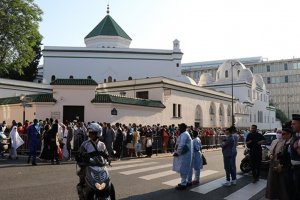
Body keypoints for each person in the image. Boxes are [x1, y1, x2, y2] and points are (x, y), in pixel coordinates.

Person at [76, 122, 109, 188]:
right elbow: (79, 153)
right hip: (89, 165)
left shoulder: (102, 144)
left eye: (92, 133)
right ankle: (81, 187)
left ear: (98, 133)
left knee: (108, 181)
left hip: (100, 166)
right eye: (90, 133)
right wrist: (81, 156)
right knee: (82, 173)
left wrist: (107, 157)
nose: (90, 134)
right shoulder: (85, 144)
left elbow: (106, 153)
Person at [265, 129, 286, 199]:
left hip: (279, 163)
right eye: (277, 132)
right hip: (272, 162)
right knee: (272, 180)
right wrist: (270, 155)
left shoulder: (285, 142)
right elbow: (270, 150)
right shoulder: (274, 141)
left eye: (280, 132)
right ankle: (271, 195)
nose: (278, 134)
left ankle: (281, 196)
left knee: (281, 181)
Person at [172, 123, 193, 190]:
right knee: (185, 168)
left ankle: (183, 184)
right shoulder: (184, 134)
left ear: (183, 128)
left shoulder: (184, 134)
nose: (179, 128)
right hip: (184, 154)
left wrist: (177, 152)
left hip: (184, 154)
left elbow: (181, 144)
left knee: (183, 169)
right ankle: (186, 182)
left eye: (180, 127)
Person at [290, 114, 300, 199]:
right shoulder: (295, 135)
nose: (291, 125)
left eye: (294, 124)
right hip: (295, 167)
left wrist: (296, 148)